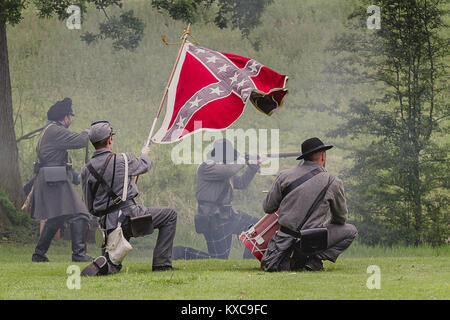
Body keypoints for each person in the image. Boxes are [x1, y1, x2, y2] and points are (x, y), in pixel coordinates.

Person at [80, 120, 177, 276]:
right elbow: (144, 166)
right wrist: (145, 154)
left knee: (112, 263)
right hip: (131, 219)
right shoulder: (123, 160)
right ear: (110, 139)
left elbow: (90, 205)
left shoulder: (86, 169)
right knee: (170, 215)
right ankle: (162, 264)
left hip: (107, 225)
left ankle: (108, 264)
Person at [260, 137, 357, 272]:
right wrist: (320, 226)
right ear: (323, 156)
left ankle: (294, 258)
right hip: (312, 242)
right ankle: (313, 260)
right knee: (350, 230)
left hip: (281, 243)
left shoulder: (284, 176)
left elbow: (268, 208)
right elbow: (340, 219)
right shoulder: (334, 182)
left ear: (304, 157)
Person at [173, 138, 264, 260]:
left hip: (229, 215)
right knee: (218, 259)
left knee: (258, 228)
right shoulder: (207, 167)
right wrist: (242, 160)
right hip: (213, 218)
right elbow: (228, 171)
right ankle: (181, 253)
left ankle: (248, 261)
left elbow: (241, 183)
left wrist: (253, 166)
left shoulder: (224, 168)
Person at [31, 98, 93, 263]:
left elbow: (56, 161)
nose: (71, 120)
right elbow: (81, 140)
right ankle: (79, 254)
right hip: (53, 179)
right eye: (70, 116)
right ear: (65, 117)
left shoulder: (50, 130)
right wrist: (89, 132)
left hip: (53, 177)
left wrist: (76, 177)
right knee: (80, 213)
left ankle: (39, 255)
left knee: (56, 218)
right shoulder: (55, 131)